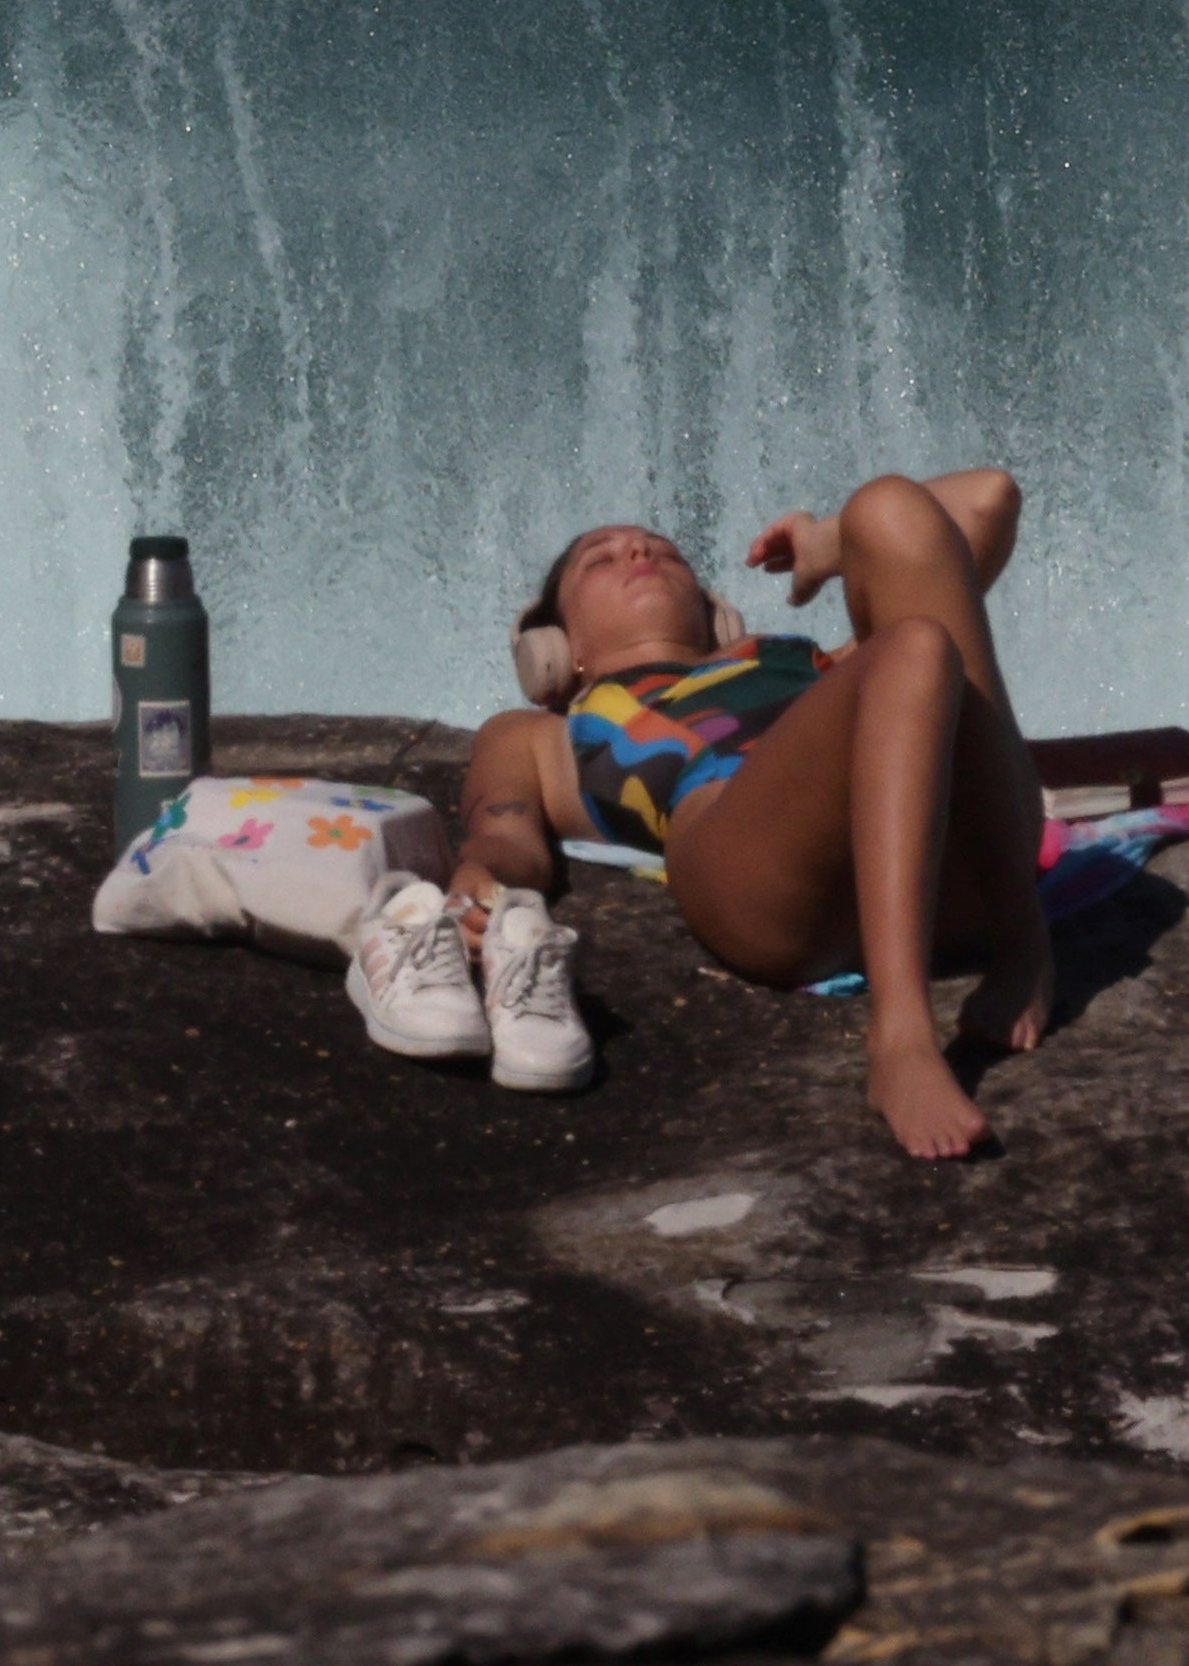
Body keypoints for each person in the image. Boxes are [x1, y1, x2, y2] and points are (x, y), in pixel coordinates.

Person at [447, 467, 1056, 1161]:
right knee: (916, 645)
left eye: (662, 549)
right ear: (559, 646)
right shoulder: (542, 733)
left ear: (715, 609)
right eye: (602, 559)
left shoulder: (821, 662)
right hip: (764, 882)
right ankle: (904, 1036)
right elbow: (506, 830)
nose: (641, 555)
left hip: (952, 865)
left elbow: (987, 500)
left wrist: (834, 541)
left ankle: (1023, 939)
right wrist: (480, 877)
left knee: (887, 512)